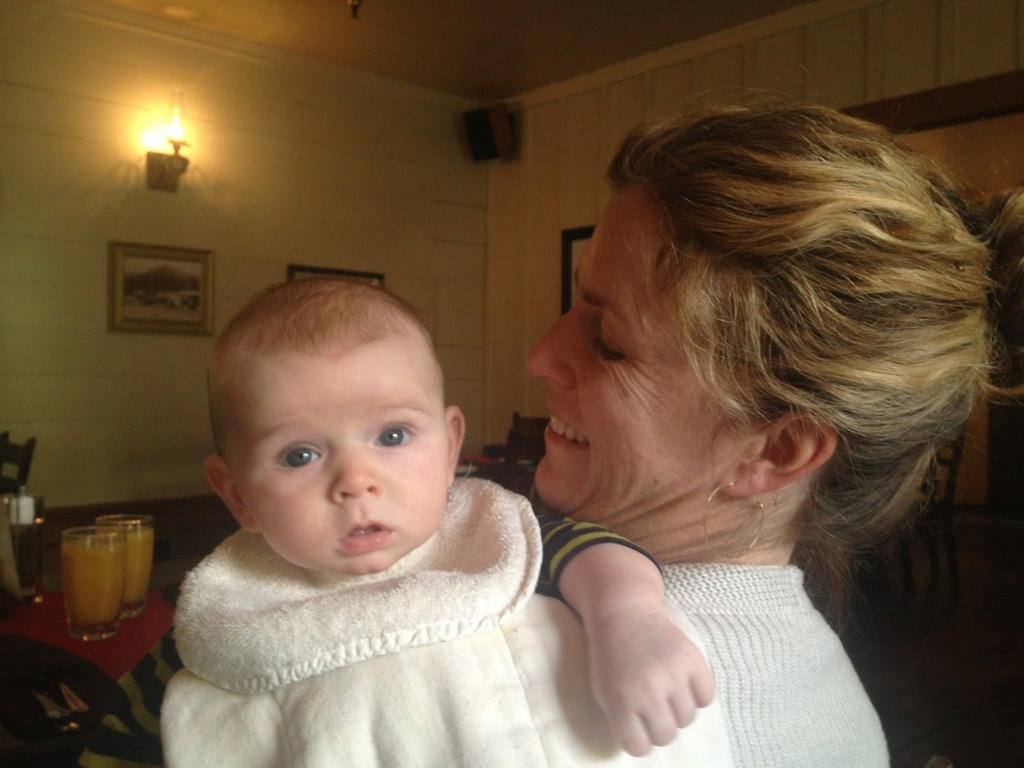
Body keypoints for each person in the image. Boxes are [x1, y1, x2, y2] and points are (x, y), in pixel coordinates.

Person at [523, 101, 1024, 767]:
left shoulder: (537, 687)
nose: (541, 356)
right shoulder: (834, 699)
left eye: (610, 342)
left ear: (776, 450)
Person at [156, 278, 718, 767]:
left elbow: (591, 549)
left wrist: (630, 619)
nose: (355, 481)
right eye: (299, 455)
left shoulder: (485, 532)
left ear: (450, 449)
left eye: (392, 436)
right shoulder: (225, 612)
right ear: (238, 496)